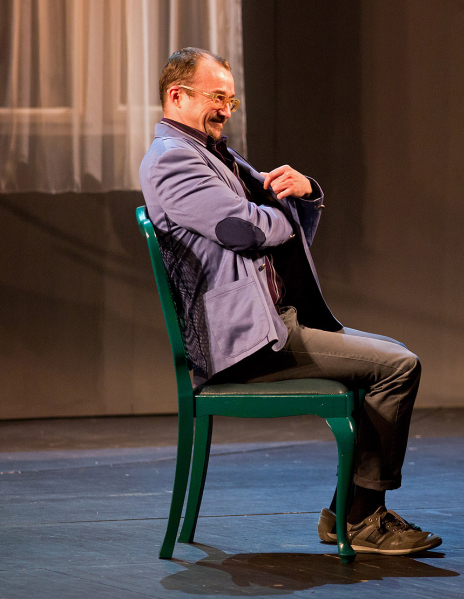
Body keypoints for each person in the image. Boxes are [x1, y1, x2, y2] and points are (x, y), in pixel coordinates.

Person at [139, 47, 440, 555]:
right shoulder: (172, 160)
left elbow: (278, 220)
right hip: (245, 343)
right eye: (216, 98)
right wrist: (283, 217)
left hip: (271, 324)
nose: (225, 110)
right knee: (397, 367)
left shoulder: (212, 153)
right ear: (177, 95)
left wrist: (304, 192)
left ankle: (349, 514)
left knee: (393, 358)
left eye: (231, 101)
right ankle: (361, 518)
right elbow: (242, 229)